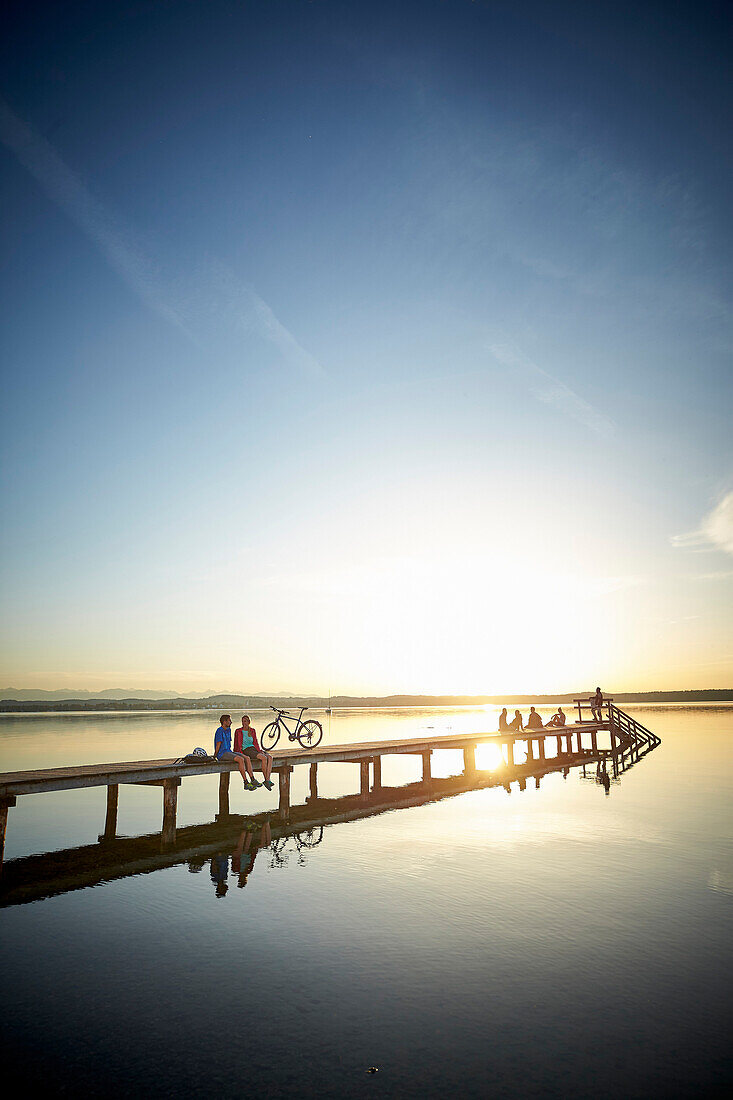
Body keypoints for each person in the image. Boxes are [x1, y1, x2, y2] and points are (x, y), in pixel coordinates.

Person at [213, 714, 259, 791]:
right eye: (229, 721)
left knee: (247, 758)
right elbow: (218, 744)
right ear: (224, 722)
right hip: (222, 754)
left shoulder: (228, 730)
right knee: (240, 759)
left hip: (229, 751)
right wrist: (215, 756)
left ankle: (252, 779)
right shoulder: (219, 731)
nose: (231, 722)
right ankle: (245, 782)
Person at [234, 715, 275, 791]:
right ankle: (266, 780)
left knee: (270, 757)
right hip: (246, 750)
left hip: (254, 749)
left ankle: (267, 779)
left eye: (245, 721)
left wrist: (260, 751)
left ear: (249, 722)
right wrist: (237, 752)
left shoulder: (252, 730)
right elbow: (236, 743)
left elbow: (255, 742)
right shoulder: (238, 731)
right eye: (242, 721)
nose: (244, 723)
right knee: (264, 758)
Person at [232, 818, 272, 887]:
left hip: (239, 853)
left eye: (242, 879)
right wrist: (254, 851)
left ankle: (245, 830)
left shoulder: (235, 870)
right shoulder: (249, 870)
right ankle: (265, 824)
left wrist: (240, 854)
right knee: (266, 844)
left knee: (241, 850)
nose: (243, 877)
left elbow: (234, 858)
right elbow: (252, 859)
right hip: (248, 852)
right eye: (244, 879)